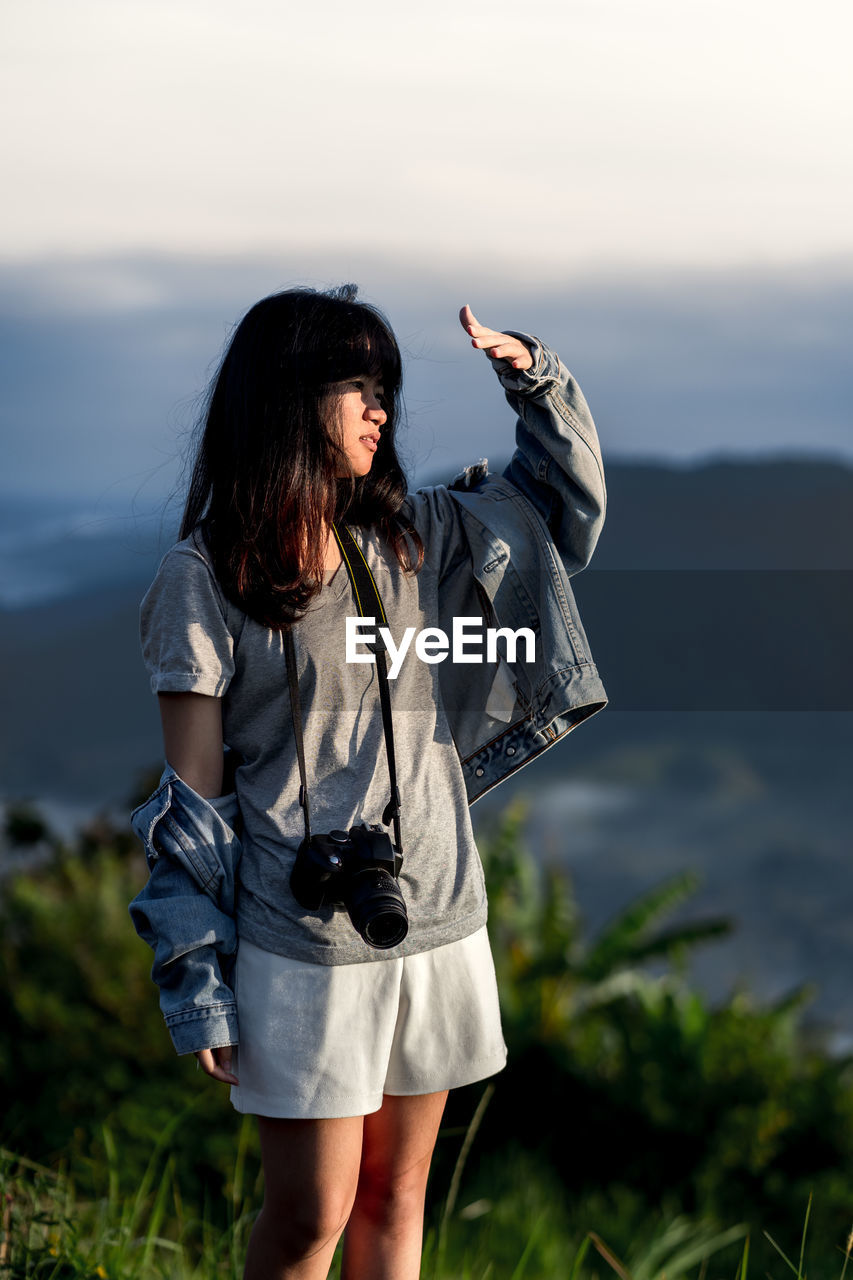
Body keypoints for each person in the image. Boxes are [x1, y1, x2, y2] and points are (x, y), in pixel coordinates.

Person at [129, 285, 608, 1279]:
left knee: (394, 1199)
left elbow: (562, 512)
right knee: (312, 1213)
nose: (382, 409)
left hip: (431, 908)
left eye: (385, 387)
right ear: (287, 397)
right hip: (298, 936)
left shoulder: (409, 535)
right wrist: (196, 976)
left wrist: (533, 374)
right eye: (360, 385)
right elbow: (193, 804)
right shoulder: (204, 573)